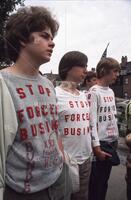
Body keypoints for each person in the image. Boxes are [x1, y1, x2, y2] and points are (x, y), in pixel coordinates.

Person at [0, 6, 71, 200]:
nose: (52, 43)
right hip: (21, 190)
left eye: (52, 37)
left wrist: (62, 156)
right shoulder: (3, 83)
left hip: (58, 179)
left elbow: (53, 126)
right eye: (44, 36)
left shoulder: (48, 84)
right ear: (23, 38)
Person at [55, 51, 102, 200]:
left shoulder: (83, 95)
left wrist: (95, 146)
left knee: (82, 196)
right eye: (82, 66)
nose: (86, 70)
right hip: (65, 162)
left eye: (86, 66)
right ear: (68, 68)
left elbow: (90, 124)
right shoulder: (54, 94)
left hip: (85, 159)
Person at [87, 57, 121, 200]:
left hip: (111, 142)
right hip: (101, 144)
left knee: (104, 181)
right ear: (104, 71)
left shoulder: (111, 92)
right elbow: (91, 122)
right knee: (96, 183)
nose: (117, 75)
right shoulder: (94, 92)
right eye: (115, 71)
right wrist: (96, 148)